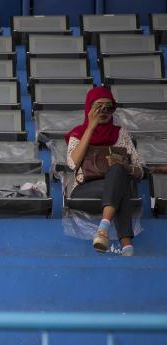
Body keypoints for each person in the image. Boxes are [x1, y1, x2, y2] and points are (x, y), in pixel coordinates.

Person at [65, 86, 145, 256]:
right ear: (89, 108)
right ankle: (126, 244)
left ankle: (103, 229)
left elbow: (140, 171)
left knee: (117, 171)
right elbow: (72, 163)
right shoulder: (78, 133)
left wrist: (126, 166)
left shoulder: (120, 134)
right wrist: (91, 127)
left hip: (116, 183)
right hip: (86, 187)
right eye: (98, 106)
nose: (104, 110)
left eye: (108, 106)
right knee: (121, 187)